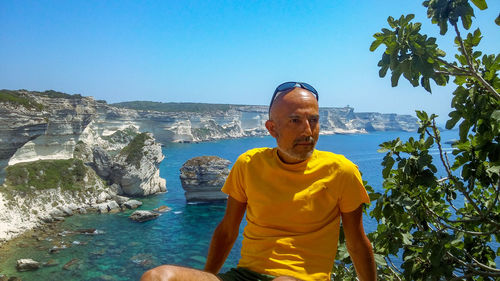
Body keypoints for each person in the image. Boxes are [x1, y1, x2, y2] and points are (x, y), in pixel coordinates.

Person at [141, 82, 377, 281]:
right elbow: (227, 230)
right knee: (156, 277)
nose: (308, 131)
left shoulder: (342, 171)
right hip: (245, 275)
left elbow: (357, 242)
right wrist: (209, 276)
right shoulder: (248, 164)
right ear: (272, 128)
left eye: (313, 120)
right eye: (295, 121)